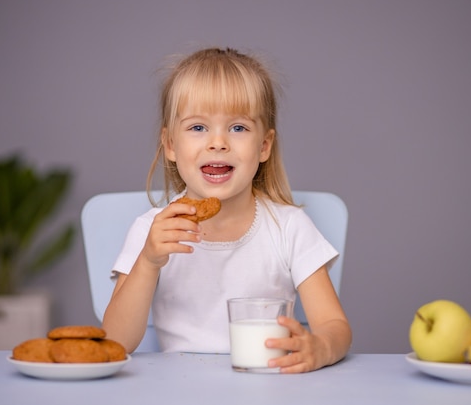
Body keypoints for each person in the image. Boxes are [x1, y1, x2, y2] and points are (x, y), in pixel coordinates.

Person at [102, 47, 352, 373]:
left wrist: (320, 347)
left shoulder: (289, 226)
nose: (218, 142)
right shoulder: (152, 230)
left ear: (264, 145)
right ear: (171, 145)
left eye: (238, 128)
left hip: (266, 386)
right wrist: (148, 262)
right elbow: (114, 342)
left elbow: (335, 325)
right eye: (197, 127)